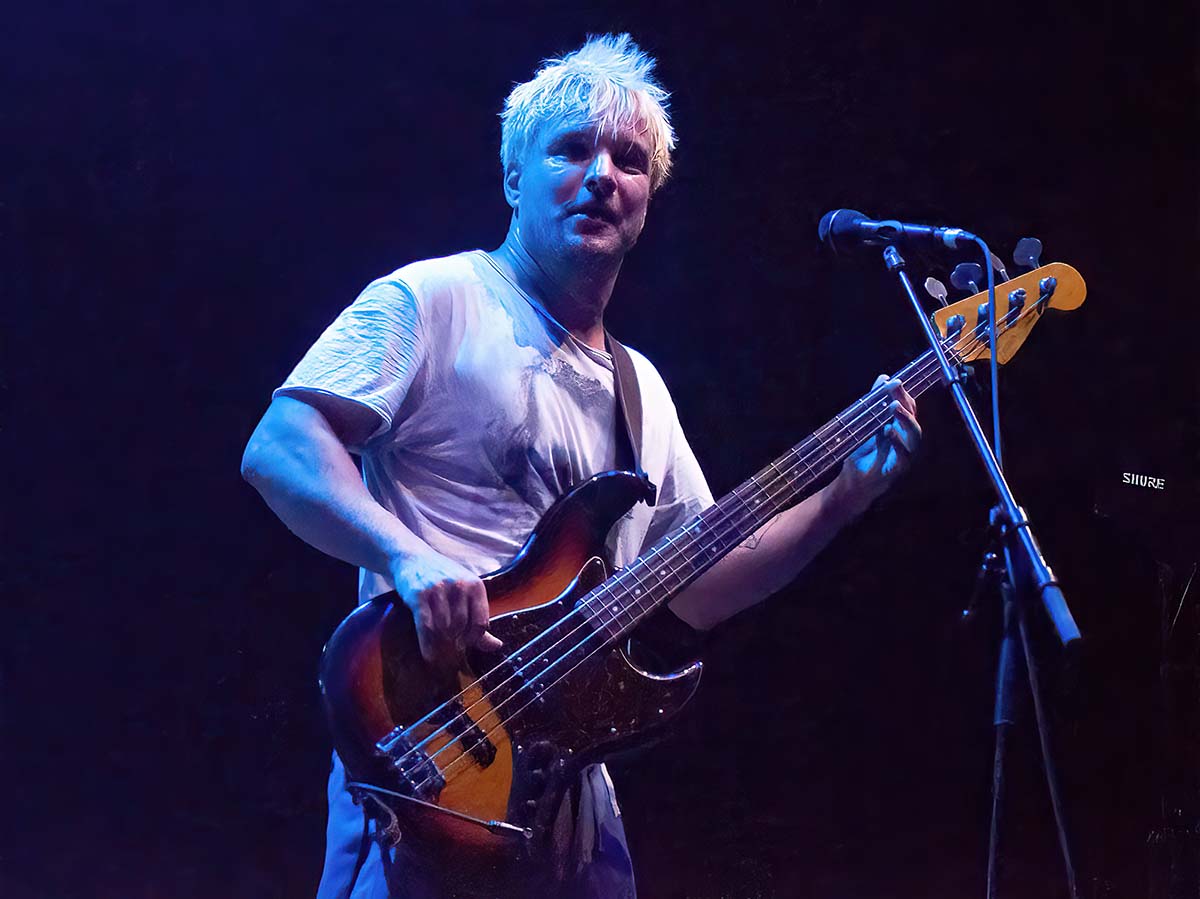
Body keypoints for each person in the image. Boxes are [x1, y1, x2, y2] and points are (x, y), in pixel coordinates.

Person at [241, 33, 920, 899]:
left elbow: (696, 585)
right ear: (513, 178)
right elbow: (281, 443)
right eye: (570, 151)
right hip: (427, 760)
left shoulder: (643, 389)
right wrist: (407, 556)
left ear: (647, 202)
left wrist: (841, 500)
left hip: (569, 793)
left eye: (629, 161)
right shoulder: (435, 299)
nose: (602, 174)